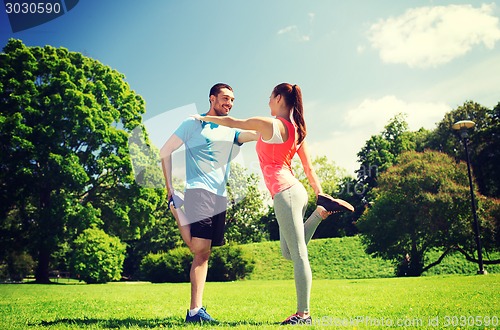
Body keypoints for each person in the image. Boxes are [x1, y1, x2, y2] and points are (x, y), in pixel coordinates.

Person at [194, 82, 354, 325]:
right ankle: (321, 212)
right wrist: (320, 195)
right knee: (288, 253)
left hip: (285, 192)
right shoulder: (297, 130)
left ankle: (304, 315)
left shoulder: (271, 124)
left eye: (270, 97)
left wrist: (201, 118)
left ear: (279, 98)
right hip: (295, 192)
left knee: (299, 255)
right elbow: (309, 169)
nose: (268, 101)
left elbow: (234, 122)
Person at [159, 83, 258, 324]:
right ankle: (194, 311)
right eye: (225, 98)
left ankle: (196, 311)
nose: (229, 103)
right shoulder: (194, 123)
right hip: (199, 191)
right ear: (212, 98)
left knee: (203, 253)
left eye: (232, 100)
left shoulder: (231, 129)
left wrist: (277, 125)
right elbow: (165, 151)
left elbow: (255, 134)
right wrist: (169, 187)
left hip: (219, 196)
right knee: (199, 250)